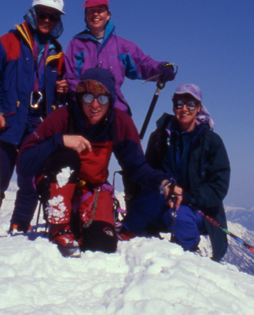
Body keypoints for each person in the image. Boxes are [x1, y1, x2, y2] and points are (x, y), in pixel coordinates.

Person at [16, 68, 172, 257]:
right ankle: (59, 227)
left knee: (103, 243)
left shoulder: (120, 123)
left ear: (112, 100)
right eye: (89, 97)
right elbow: (24, 162)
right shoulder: (63, 117)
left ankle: (75, 222)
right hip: (56, 184)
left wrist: (161, 181)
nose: (95, 105)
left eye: (103, 99)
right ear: (80, 97)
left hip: (91, 190)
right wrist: (60, 141)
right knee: (67, 156)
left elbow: (136, 167)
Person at [0, 0, 68, 238]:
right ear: (33, 13)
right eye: (43, 14)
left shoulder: (56, 52)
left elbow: (59, 88)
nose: (47, 20)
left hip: (37, 121)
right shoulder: (9, 41)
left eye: (53, 17)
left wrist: (61, 89)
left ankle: (20, 228)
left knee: (30, 178)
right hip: (8, 119)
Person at [119, 84, 231, 261]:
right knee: (143, 212)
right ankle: (131, 230)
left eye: (190, 104)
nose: (184, 109)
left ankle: (189, 256)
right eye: (179, 104)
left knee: (180, 219)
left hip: (196, 206)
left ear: (199, 108)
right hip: (162, 199)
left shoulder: (211, 142)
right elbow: (147, 171)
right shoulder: (160, 136)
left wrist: (187, 196)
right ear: (173, 107)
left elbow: (218, 186)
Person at [63, 0, 176, 116]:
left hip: (114, 107)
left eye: (100, 10)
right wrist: (85, 98)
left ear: (108, 15)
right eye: (91, 11)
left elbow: (142, 64)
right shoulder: (76, 44)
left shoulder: (122, 46)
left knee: (127, 129)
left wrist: (163, 67)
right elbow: (70, 77)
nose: (95, 14)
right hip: (84, 108)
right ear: (86, 16)